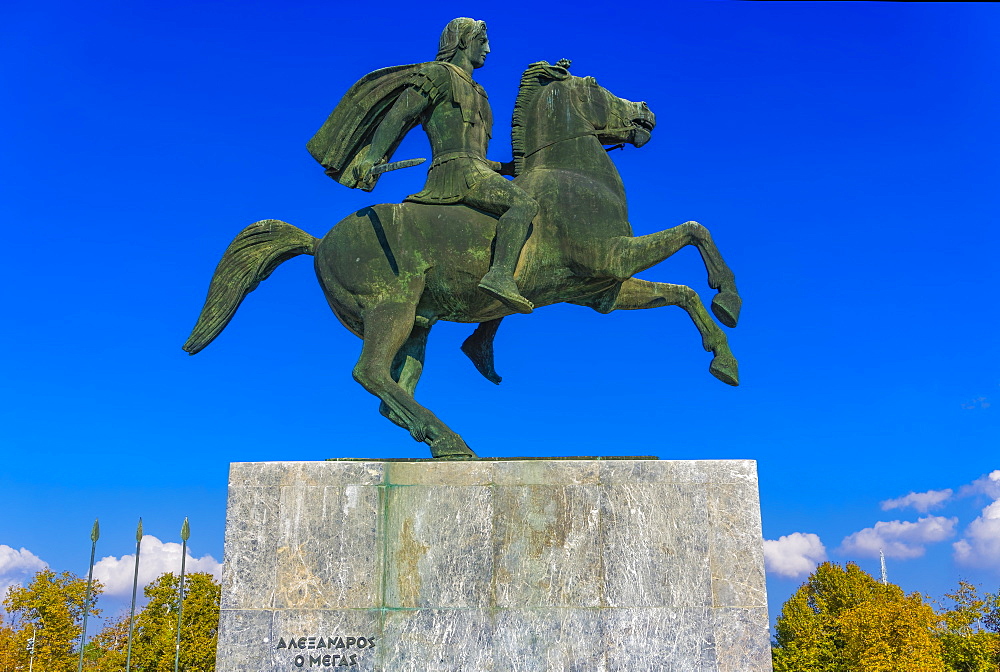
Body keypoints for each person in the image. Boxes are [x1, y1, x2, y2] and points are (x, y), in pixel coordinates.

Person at [309, 18, 537, 314]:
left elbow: (476, 154)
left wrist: (505, 168)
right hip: (455, 174)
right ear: (464, 41)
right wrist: (373, 155)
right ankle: (500, 276)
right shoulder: (437, 75)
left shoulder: (480, 93)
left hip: (476, 170)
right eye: (483, 41)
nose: (489, 49)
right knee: (522, 205)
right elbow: (399, 117)